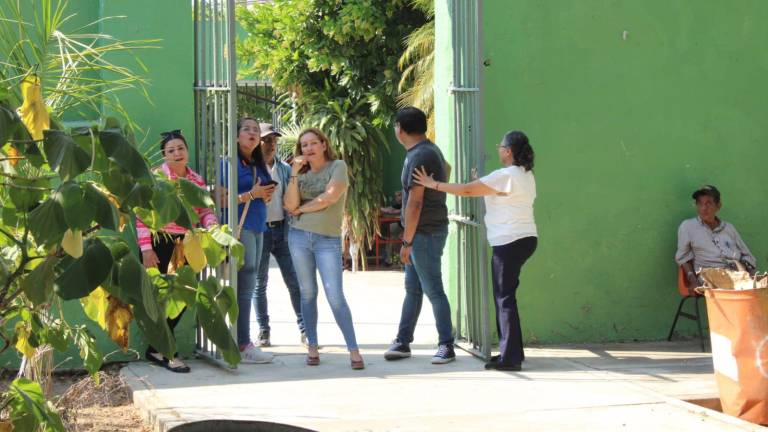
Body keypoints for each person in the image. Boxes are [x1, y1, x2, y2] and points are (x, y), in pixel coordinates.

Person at [412, 130, 538, 372]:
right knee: (506, 297)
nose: (498, 149)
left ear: (508, 151)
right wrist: (481, 180)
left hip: (509, 241)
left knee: (504, 298)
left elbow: (468, 190)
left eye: (501, 146)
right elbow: (492, 193)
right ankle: (511, 352)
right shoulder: (525, 174)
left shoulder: (506, 175)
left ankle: (511, 357)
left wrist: (433, 184)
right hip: (525, 238)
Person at [137, 129, 218, 373]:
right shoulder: (156, 178)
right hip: (161, 242)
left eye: (181, 148)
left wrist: (213, 226)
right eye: (171, 150)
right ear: (164, 155)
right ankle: (165, 350)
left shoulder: (196, 179)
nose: (177, 153)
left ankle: (158, 348)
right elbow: (142, 215)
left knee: (180, 297)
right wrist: (146, 248)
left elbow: (204, 209)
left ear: (187, 151)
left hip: (186, 244)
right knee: (162, 298)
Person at [283, 128, 364, 370]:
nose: (308, 149)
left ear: (323, 144)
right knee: (307, 293)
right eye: (303, 145)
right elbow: (289, 204)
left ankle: (354, 350)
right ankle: (312, 347)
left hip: (326, 239)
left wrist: (302, 209)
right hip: (298, 237)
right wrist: (295, 174)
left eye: (312, 143)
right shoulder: (300, 173)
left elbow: (330, 197)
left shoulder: (337, 166)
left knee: (335, 295)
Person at [383, 107, 455, 365]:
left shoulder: (419, 155)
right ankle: (403, 341)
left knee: (433, 289)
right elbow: (445, 167)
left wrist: (407, 242)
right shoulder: (428, 150)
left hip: (424, 233)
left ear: (400, 128)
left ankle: (447, 344)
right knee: (413, 289)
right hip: (424, 231)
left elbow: (415, 203)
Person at [227, 117, 277, 363]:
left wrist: (265, 195)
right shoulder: (229, 162)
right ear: (236, 136)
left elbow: (263, 195)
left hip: (258, 225)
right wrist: (251, 194)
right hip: (240, 226)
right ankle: (243, 342)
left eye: (256, 130)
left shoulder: (258, 164)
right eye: (246, 129)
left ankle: (241, 340)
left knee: (251, 281)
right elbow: (221, 198)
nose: (252, 133)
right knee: (245, 284)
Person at [253, 122, 306, 347]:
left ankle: (305, 328)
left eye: (273, 140)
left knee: (294, 281)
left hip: (282, 230)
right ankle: (263, 330)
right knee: (259, 284)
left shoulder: (284, 169)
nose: (271, 144)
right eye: (266, 140)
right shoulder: (251, 169)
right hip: (260, 231)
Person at [675, 185, 756, 289]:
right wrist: (692, 279)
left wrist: (750, 273)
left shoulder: (729, 228)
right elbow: (683, 258)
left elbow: (748, 256)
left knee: (760, 288)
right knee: (739, 289)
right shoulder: (688, 227)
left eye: (708, 203)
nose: (703, 208)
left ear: (718, 206)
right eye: (700, 203)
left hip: (737, 276)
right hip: (710, 276)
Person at [380, 191, 403, 267]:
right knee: (390, 239)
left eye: (399, 196)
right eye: (396, 196)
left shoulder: (406, 204)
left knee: (393, 238)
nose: (397, 198)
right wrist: (380, 208)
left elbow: (392, 211)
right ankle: (388, 260)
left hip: (408, 229)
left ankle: (397, 260)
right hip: (401, 227)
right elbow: (389, 209)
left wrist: (380, 208)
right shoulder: (398, 205)